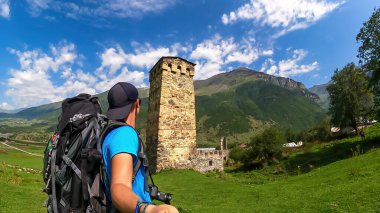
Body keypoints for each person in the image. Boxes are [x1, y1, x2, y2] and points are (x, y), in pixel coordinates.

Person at [102, 82, 179, 213]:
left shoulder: (108, 133)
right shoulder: (125, 134)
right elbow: (119, 186)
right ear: (137, 103)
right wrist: (148, 210)